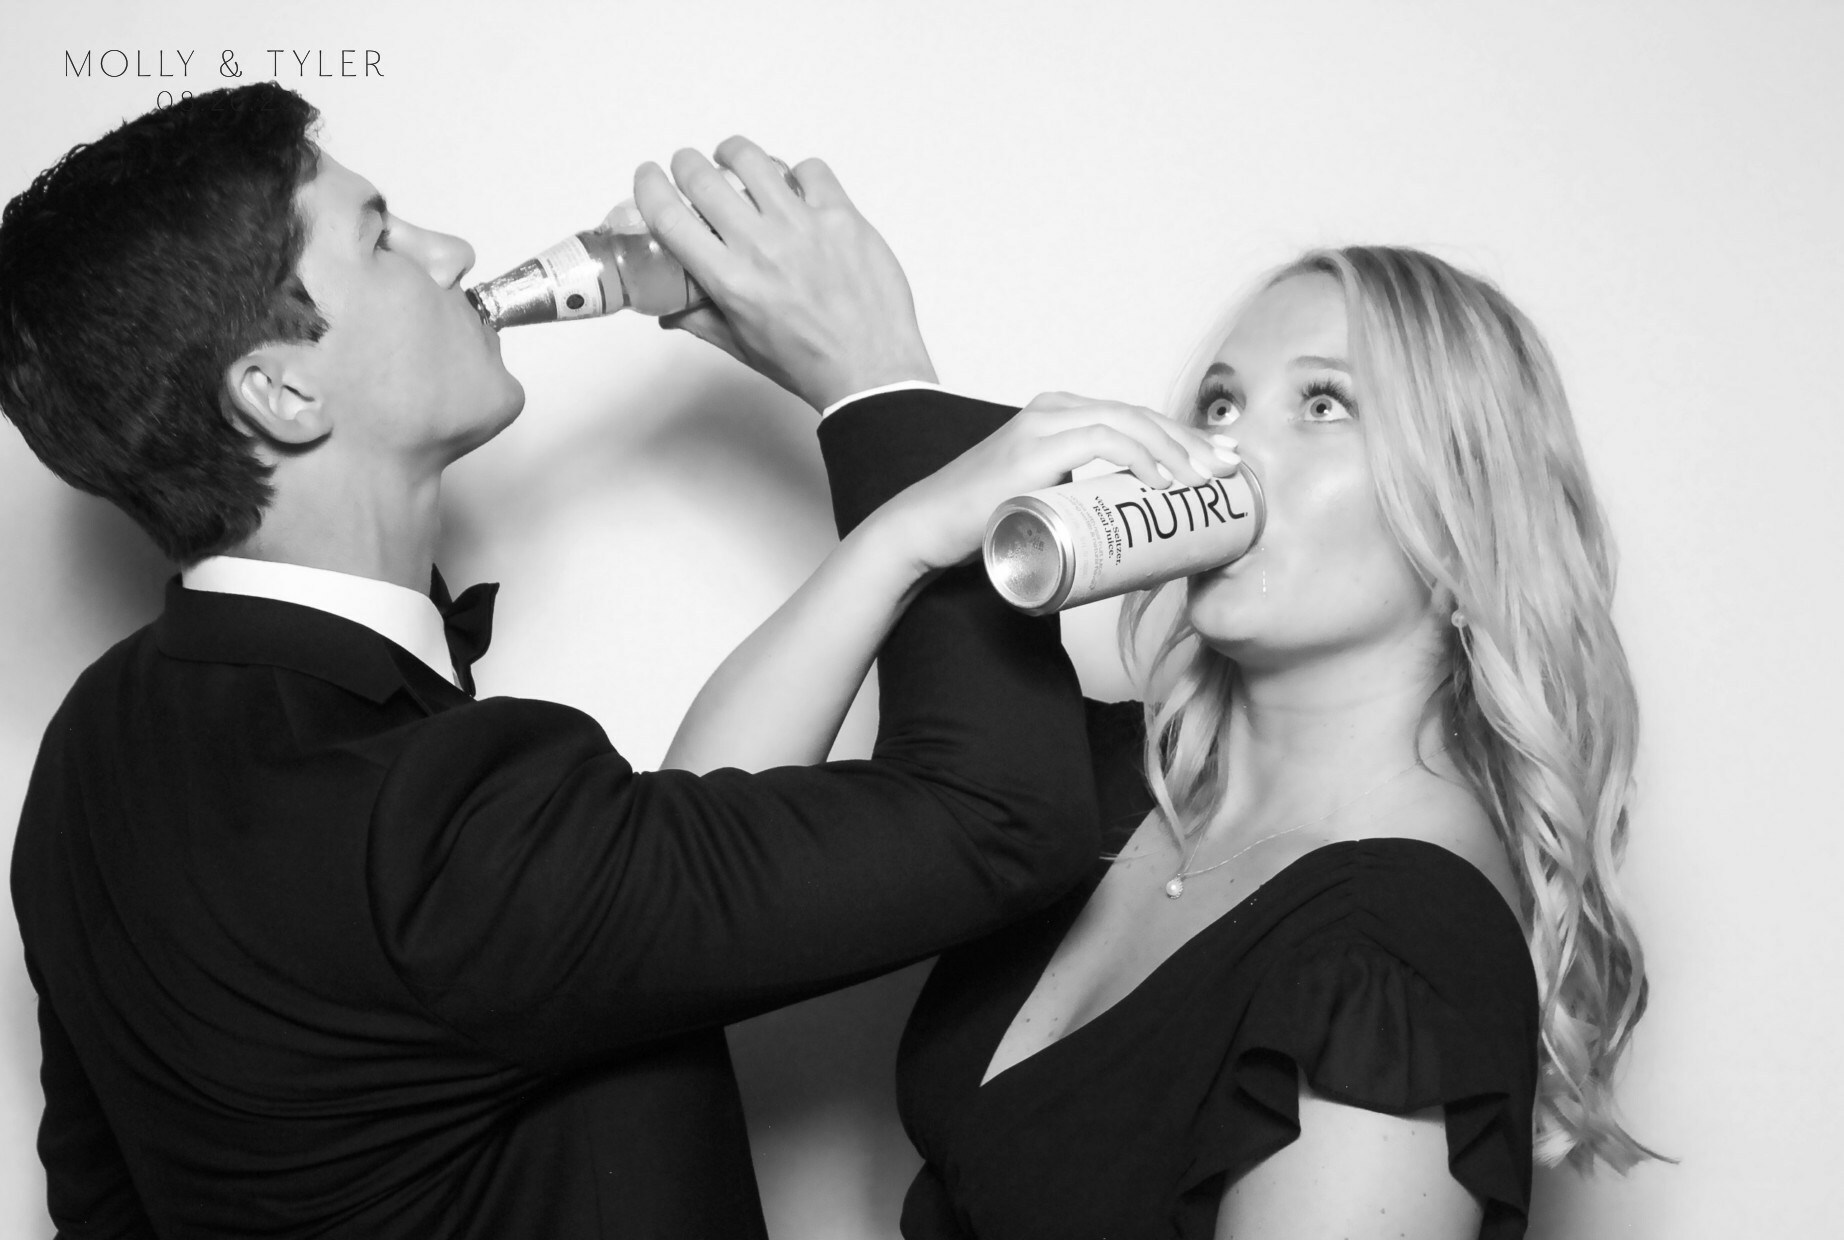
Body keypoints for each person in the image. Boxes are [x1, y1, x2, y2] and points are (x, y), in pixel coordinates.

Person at [0, 83, 1241, 1237]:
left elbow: (646, 882)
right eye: (380, 239)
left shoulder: (96, 750)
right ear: (279, 393)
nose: (451, 253)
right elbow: (996, 821)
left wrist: (900, 536)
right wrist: (878, 383)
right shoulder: (422, 829)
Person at [665, 245, 1657, 1238]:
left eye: (1323, 404)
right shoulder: (1103, 783)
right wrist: (910, 532)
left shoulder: (1392, 957)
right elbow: (665, 887)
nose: (1221, 454)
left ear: (1463, 526)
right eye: (1219, 406)